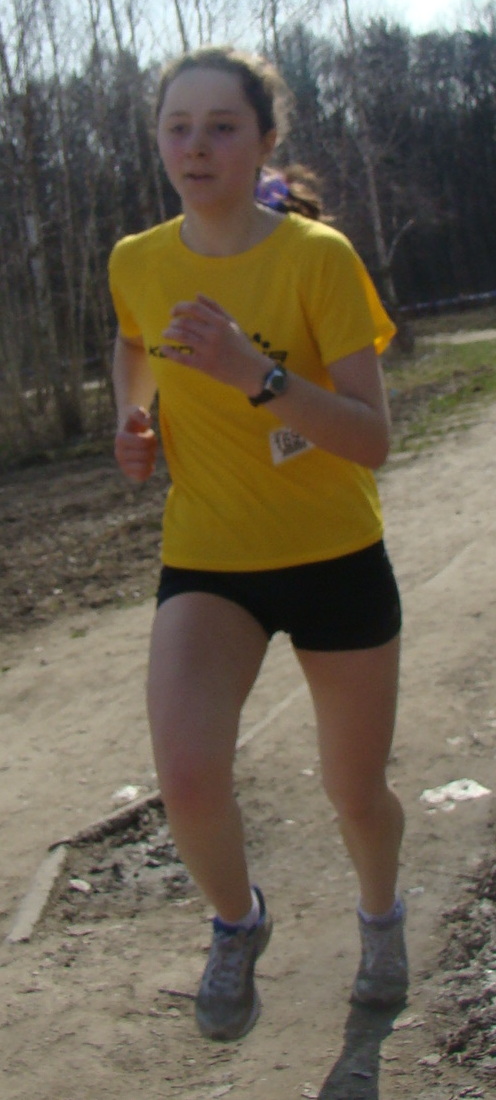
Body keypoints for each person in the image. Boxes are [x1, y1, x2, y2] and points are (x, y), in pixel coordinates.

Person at [109, 44, 408, 1043]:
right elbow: (132, 340)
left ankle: (380, 914)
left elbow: (370, 437)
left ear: (265, 140)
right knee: (188, 775)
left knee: (354, 792)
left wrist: (255, 373)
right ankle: (237, 922)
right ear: (160, 142)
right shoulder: (137, 260)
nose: (195, 146)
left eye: (221, 127)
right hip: (209, 559)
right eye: (177, 127)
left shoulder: (317, 258)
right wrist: (132, 417)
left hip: (334, 558)